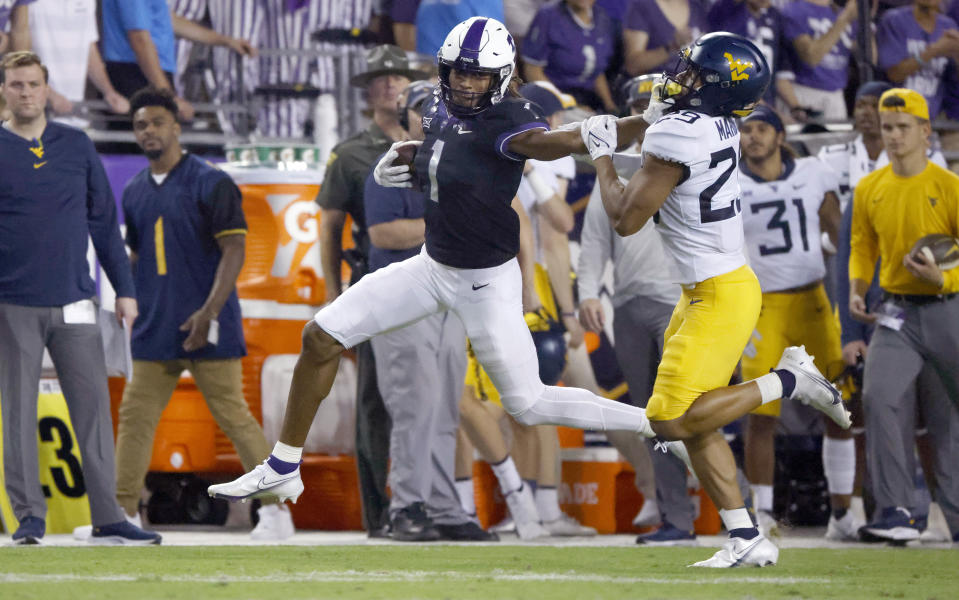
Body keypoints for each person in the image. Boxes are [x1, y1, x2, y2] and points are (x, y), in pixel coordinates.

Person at [208, 16, 659, 522]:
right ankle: (284, 464)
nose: (465, 83)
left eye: (478, 75)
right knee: (320, 336)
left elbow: (562, 141)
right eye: (457, 72)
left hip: (486, 281)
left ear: (503, 74)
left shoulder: (512, 118)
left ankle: (657, 424)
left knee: (528, 404)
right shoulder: (440, 105)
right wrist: (405, 159)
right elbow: (448, 152)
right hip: (430, 266)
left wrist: (640, 122)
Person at [583, 32, 851, 566]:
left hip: (719, 293)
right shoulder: (714, 122)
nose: (680, 77)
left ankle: (792, 380)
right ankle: (745, 535)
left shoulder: (680, 134)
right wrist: (654, 121)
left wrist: (603, 158)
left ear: (716, 89)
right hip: (706, 287)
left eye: (696, 74)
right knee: (692, 417)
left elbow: (625, 218)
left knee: (670, 419)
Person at [111, 87, 295, 542]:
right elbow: (137, 256)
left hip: (207, 325)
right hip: (156, 327)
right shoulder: (133, 191)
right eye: (140, 125)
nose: (148, 131)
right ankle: (123, 512)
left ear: (176, 125)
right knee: (136, 417)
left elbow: (235, 248)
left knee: (233, 415)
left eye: (156, 122)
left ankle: (276, 511)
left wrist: (208, 311)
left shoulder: (211, 181)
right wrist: (132, 299)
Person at [0, 51, 159, 545]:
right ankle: (29, 518)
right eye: (16, 85)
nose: (26, 93)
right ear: (3, 91)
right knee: (18, 414)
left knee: (92, 412)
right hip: (12, 302)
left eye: (33, 84)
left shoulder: (76, 144)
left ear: (47, 89)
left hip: (76, 299)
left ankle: (109, 516)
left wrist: (125, 291)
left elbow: (104, 226)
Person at [363, 80, 496, 541]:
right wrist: (444, 225)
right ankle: (406, 506)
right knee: (414, 405)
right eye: (424, 109)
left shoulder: (459, 168)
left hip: (450, 297)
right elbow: (383, 234)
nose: (433, 116)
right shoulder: (394, 162)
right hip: (403, 300)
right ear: (407, 117)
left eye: (440, 109)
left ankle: (442, 506)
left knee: (443, 409)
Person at [577, 73, 698, 546]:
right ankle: (678, 518)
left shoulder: (690, 158)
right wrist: (589, 291)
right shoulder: (623, 170)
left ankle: (742, 506)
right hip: (629, 301)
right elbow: (594, 240)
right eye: (643, 106)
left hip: (683, 300)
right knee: (654, 418)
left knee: (696, 413)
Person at [315, 44, 427, 538]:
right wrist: (332, 292)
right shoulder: (351, 152)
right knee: (374, 403)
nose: (390, 84)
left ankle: (423, 505)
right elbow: (330, 226)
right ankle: (377, 513)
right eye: (380, 78)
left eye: (397, 77)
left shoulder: (433, 139)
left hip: (430, 279)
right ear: (369, 91)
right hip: (375, 279)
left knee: (430, 397)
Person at [736, 105, 852, 540]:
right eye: (746, 130)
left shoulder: (813, 172)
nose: (753, 137)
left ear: (781, 136)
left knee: (838, 406)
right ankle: (763, 513)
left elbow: (839, 234)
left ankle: (843, 513)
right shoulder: (730, 181)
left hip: (813, 302)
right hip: (762, 307)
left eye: (762, 128)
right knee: (761, 414)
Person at [848, 87, 959, 544]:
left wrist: (944, 281)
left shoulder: (949, 187)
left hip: (949, 309)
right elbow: (861, 245)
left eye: (902, 128)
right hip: (896, 311)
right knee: (878, 397)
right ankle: (896, 511)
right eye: (887, 128)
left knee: (948, 421)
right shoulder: (869, 187)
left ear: (925, 131)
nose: (892, 136)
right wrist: (857, 287)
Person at [100, 0, 256, 121]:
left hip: (148, 76)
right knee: (139, 152)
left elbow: (167, 20)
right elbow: (139, 39)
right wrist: (168, 96)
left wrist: (225, 41)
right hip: (136, 76)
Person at [27, 0, 130, 125]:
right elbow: (16, 52)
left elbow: (88, 47)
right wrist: (47, 92)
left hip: (75, 113)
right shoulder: (29, 3)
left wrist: (108, 91)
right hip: (35, 113)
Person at [522, 0, 618, 112]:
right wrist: (567, 104)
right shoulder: (547, 16)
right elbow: (533, 71)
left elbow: (597, 72)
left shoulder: (602, 16)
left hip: (589, 99)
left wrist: (610, 105)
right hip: (555, 97)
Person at [876, 0, 959, 122]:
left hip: (933, 119)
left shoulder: (948, 25)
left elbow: (954, 80)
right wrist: (934, 50)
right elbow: (895, 74)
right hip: (896, 115)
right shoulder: (894, 20)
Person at [781, 0, 857, 120]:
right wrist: (844, 19)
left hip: (837, 94)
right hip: (803, 92)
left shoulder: (842, 10)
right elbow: (811, 57)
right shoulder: (794, 9)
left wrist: (867, 18)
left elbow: (872, 58)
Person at [622, 0, 708, 77]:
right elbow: (633, 66)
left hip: (693, 88)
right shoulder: (642, 6)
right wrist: (673, 47)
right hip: (656, 87)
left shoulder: (697, 7)